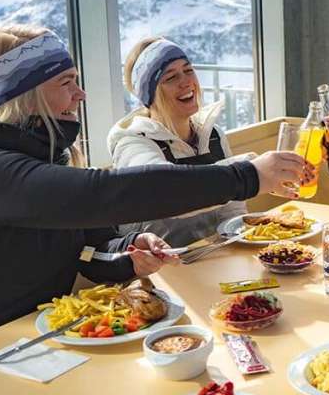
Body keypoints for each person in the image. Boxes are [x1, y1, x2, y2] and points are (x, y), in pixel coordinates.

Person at [0, 26, 311, 373]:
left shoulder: (47, 157)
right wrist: (246, 175)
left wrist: (128, 253)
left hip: (18, 344)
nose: (81, 95)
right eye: (67, 83)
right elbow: (105, 195)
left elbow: (90, 244)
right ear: (27, 95)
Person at [108, 36, 252, 246]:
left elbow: (233, 211)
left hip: (210, 258)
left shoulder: (213, 134)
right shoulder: (132, 144)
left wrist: (242, 247)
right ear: (150, 94)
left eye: (188, 70)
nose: (186, 82)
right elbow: (170, 191)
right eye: (171, 77)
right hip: (158, 270)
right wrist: (249, 169)